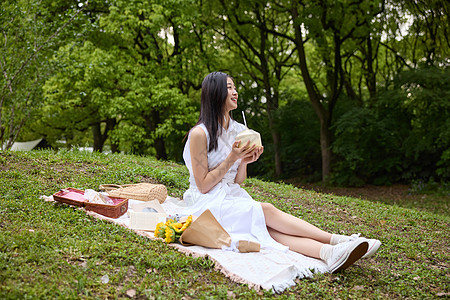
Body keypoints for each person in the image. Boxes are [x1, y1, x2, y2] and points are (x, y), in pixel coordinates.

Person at [182, 71, 381, 273]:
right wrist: (233, 157)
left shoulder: (239, 129)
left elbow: (238, 181)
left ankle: (329, 253)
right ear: (215, 93)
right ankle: (338, 239)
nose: (235, 92)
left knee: (266, 229)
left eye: (235, 87)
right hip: (206, 204)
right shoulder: (200, 133)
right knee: (266, 211)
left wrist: (244, 161)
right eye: (229, 87)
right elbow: (203, 185)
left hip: (231, 196)